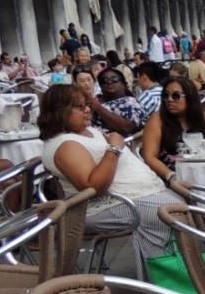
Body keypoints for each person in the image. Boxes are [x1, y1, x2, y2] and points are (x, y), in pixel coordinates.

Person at [37, 83, 178, 280]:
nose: (87, 110)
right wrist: (114, 149)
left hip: (131, 196)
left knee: (182, 207)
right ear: (60, 112)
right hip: (97, 208)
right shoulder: (66, 145)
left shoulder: (85, 131)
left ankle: (182, 271)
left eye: (87, 104)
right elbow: (93, 187)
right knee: (167, 212)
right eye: (79, 107)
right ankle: (168, 278)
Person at [141, 76, 205, 185]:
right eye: (166, 95)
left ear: (190, 98)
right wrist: (172, 177)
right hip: (172, 179)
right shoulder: (158, 119)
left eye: (176, 96)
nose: (169, 99)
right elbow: (150, 157)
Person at [90, 68, 148, 135]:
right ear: (100, 86)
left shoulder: (131, 102)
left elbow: (128, 127)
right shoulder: (95, 101)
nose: (109, 82)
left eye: (114, 79)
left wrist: (99, 108)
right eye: (104, 80)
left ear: (123, 84)